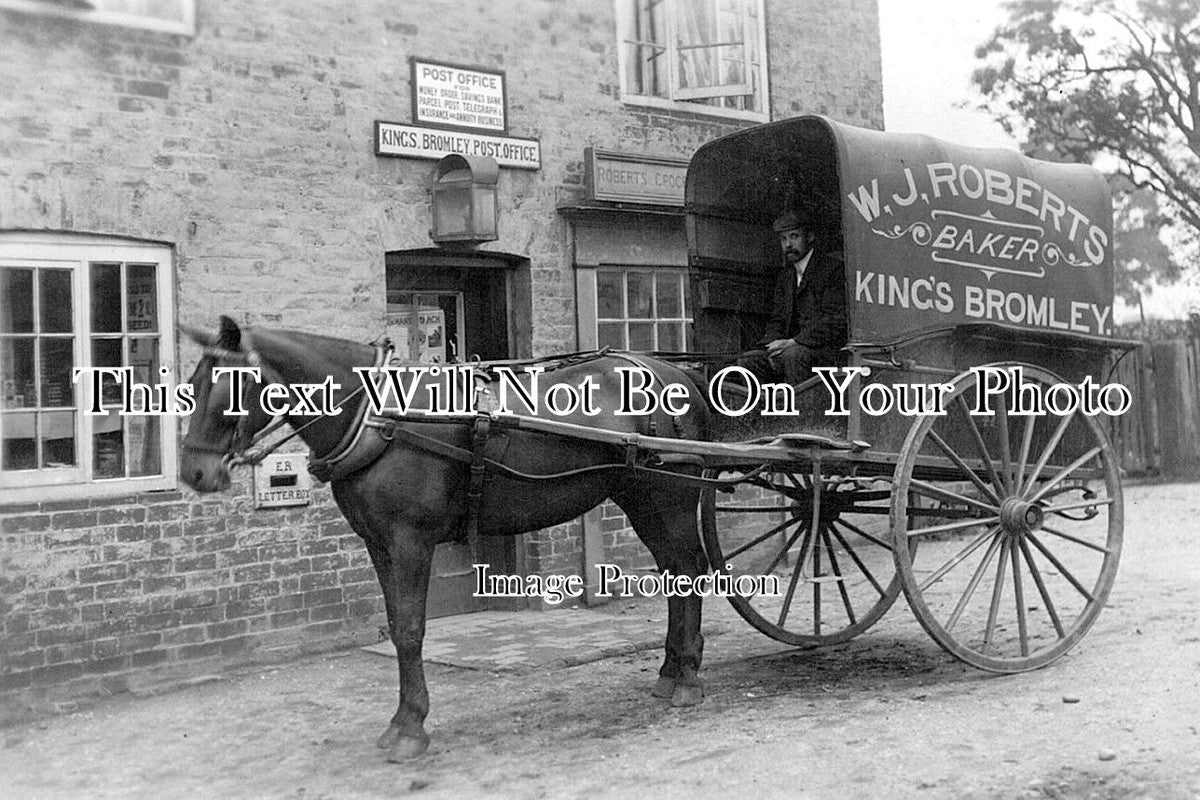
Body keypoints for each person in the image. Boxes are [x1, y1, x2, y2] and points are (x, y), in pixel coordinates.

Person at [736, 211, 846, 384]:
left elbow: (833, 320)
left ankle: (801, 411)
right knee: (749, 361)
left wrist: (794, 342)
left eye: (794, 237)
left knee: (793, 356)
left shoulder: (832, 270)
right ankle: (764, 411)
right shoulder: (786, 277)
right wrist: (771, 344)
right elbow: (778, 319)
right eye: (783, 239)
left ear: (809, 237)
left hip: (825, 351)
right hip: (792, 348)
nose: (788, 244)